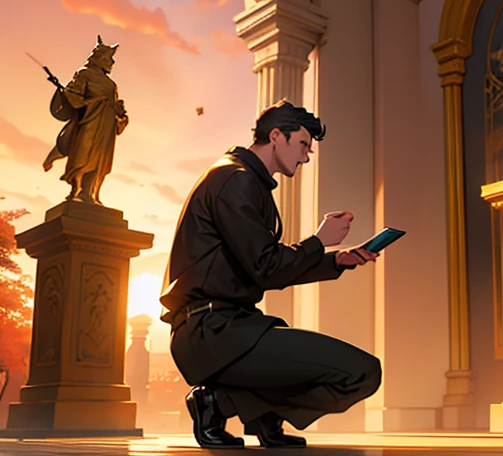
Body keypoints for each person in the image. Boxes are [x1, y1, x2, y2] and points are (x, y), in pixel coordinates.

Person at [159, 100, 381, 449]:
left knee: (354, 369)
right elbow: (265, 267)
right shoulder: (235, 179)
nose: (306, 156)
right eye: (303, 145)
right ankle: (218, 403)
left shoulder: (243, 180)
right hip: (212, 332)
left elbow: (265, 265)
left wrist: (335, 261)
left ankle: (257, 412)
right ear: (276, 136)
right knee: (362, 373)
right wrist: (318, 241)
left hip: (231, 327)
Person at [43, 35, 130, 205]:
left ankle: (90, 193)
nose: (112, 63)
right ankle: (77, 190)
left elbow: (116, 107)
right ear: (101, 58)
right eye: (110, 58)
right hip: (89, 121)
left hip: (106, 126)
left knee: (100, 162)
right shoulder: (85, 74)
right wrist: (69, 94)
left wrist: (120, 115)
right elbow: (74, 95)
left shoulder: (111, 85)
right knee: (82, 156)